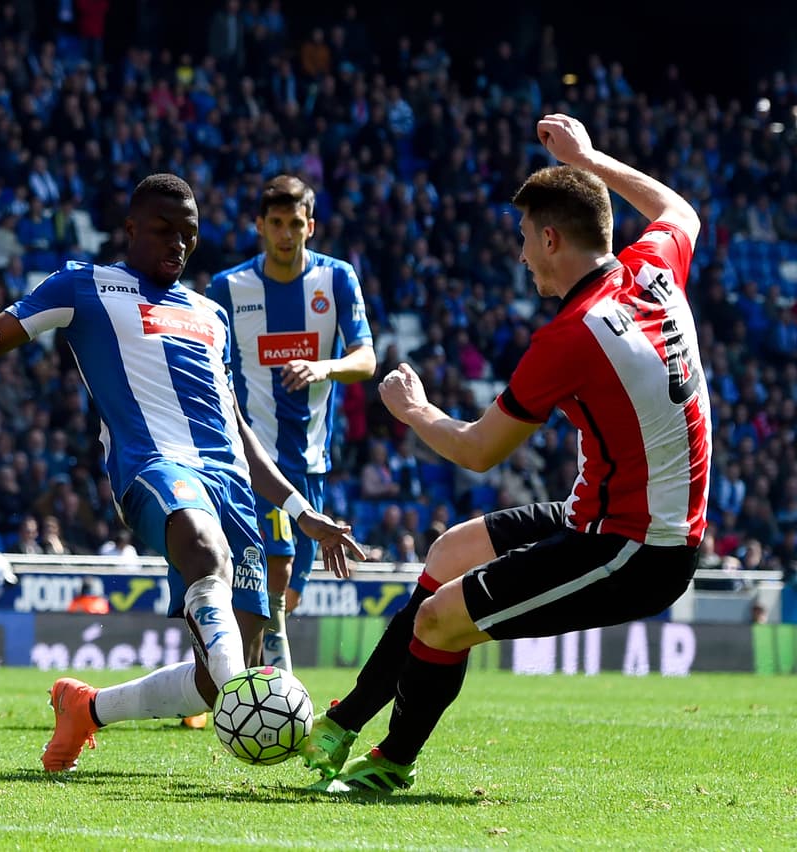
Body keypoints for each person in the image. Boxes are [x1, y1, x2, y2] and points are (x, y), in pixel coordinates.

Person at [301, 114, 709, 793]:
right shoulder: (652, 266)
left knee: (440, 620)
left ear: (551, 239)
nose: (521, 256)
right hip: (601, 515)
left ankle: (391, 761)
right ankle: (346, 719)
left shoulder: (572, 335)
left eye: (525, 238)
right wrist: (590, 158)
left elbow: (478, 449)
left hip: (638, 549)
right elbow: (677, 209)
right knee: (448, 555)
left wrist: (414, 410)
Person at [0, 173, 362, 773]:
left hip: (232, 485)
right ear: (131, 229)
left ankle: (87, 709)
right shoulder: (85, 286)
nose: (177, 244)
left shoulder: (210, 316)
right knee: (205, 555)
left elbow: (237, 431)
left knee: (216, 676)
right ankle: (260, 707)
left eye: (188, 236)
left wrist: (302, 513)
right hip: (153, 467)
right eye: (164, 231)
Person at [207, 174, 377, 670]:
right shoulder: (229, 288)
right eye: (275, 224)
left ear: (311, 227)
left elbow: (365, 359)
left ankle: (229, 680)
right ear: (259, 226)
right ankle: (267, 678)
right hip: (249, 459)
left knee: (287, 591)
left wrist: (323, 366)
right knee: (272, 567)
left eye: (295, 224)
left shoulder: (337, 279)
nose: (285, 234)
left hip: (311, 460)